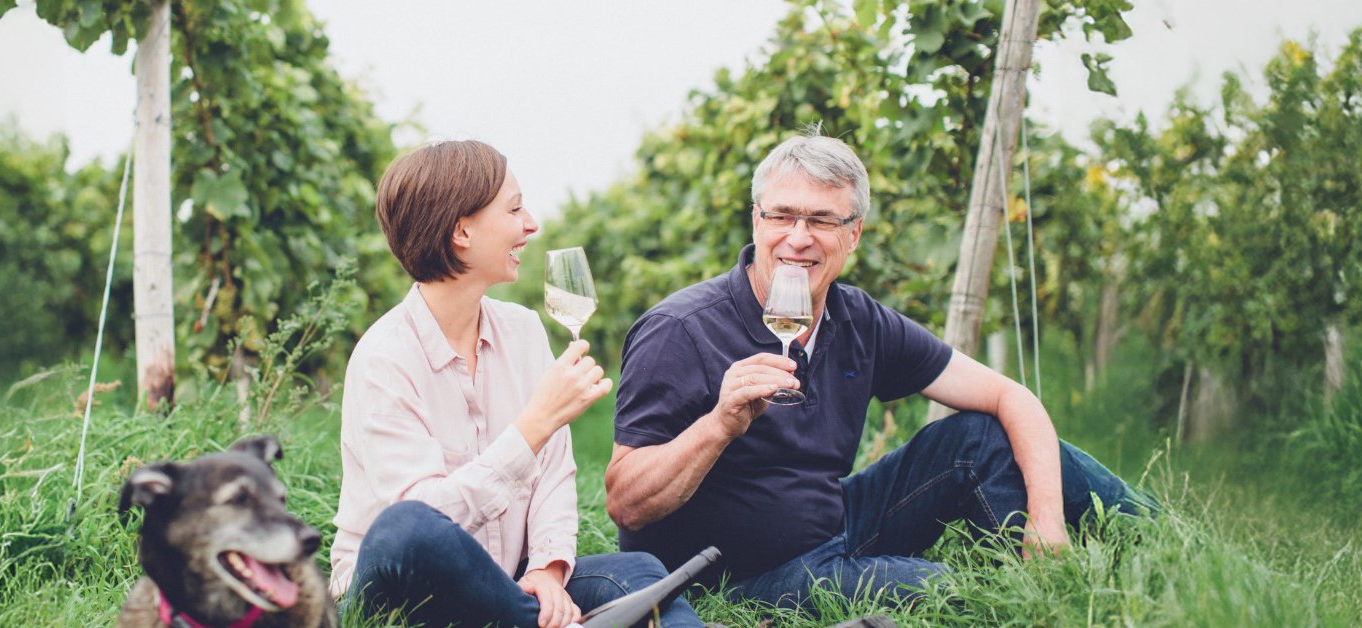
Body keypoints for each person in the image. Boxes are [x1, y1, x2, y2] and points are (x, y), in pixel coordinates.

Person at [604, 127, 1156, 609]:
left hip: (835, 524)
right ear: (757, 220)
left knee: (980, 434)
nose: (798, 238)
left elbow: (1013, 398)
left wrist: (1046, 521)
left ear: (854, 233)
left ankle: (1150, 545)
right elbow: (626, 504)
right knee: (950, 592)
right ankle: (1007, 590)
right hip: (735, 575)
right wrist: (718, 425)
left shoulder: (858, 319)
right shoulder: (680, 330)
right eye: (782, 216)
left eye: (821, 220)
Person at [330, 140, 704, 628]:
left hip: (504, 587)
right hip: (402, 593)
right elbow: (430, 524)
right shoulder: (385, 357)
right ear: (461, 230)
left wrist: (548, 571)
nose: (531, 224)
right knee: (409, 528)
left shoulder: (522, 330)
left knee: (638, 570)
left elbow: (554, 472)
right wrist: (533, 425)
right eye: (513, 209)